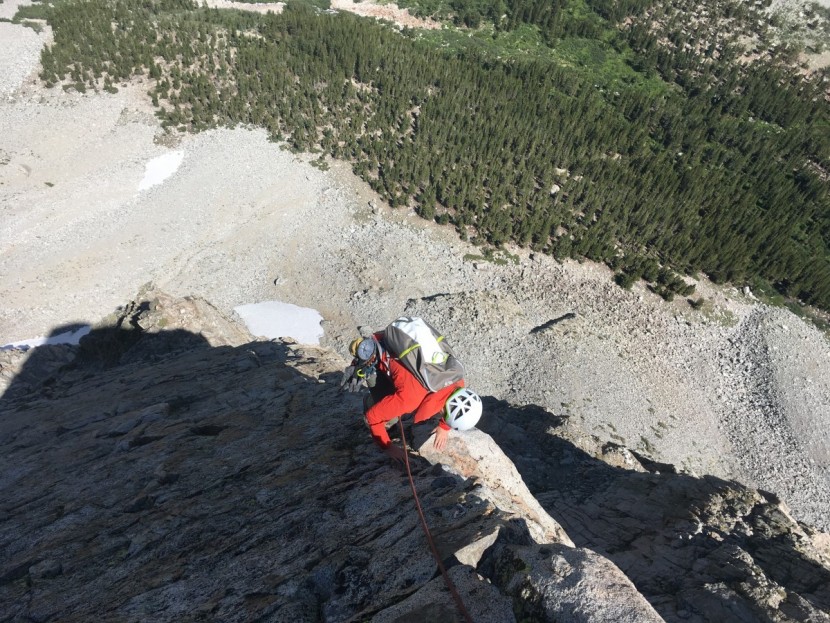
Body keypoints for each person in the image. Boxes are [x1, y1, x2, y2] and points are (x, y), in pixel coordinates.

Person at [342, 332, 477, 463]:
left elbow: (450, 403)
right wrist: (388, 447)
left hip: (398, 345)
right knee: (391, 420)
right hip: (376, 356)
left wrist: (444, 427)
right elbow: (373, 417)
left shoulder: (456, 379)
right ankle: (370, 401)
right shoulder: (410, 399)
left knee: (402, 400)